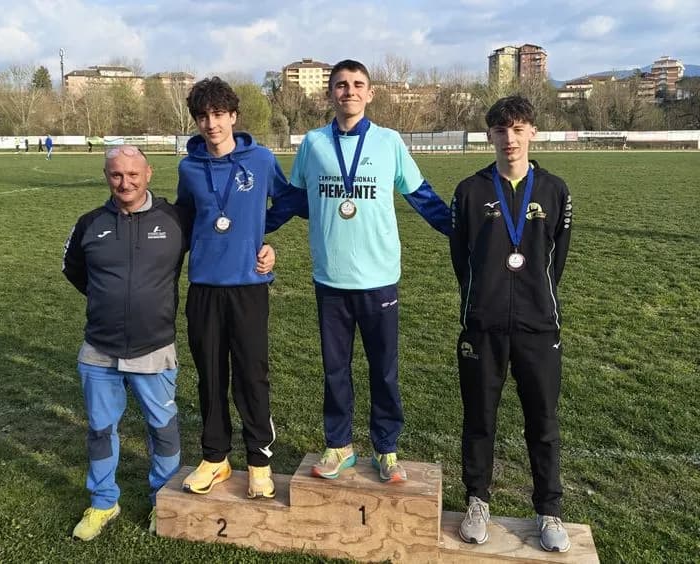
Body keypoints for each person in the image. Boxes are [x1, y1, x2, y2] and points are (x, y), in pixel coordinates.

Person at [266, 59, 451, 484]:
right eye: (341, 85)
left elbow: (421, 195)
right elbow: (295, 200)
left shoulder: (389, 142)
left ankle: (386, 449)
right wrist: (251, 229)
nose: (349, 91)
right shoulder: (313, 144)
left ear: (370, 94)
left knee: (384, 368)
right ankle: (339, 446)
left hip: (379, 277)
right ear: (330, 93)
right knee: (335, 369)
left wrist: (458, 231)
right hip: (330, 278)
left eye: (357, 85)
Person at [449, 95, 573, 552]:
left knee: (543, 422)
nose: (510, 139)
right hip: (482, 326)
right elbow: (461, 259)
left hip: (539, 327)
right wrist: (484, 299)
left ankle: (549, 510)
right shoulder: (470, 190)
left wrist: (536, 300)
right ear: (490, 136)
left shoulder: (555, 190)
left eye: (519, 129)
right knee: (479, 419)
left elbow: (556, 261)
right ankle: (477, 500)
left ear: (533, 133)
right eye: (501, 131)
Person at [62, 145, 190, 540]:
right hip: (99, 348)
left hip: (155, 346)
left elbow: (222, 246)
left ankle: (162, 499)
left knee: (162, 428)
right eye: (117, 175)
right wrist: (111, 302)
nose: (125, 182)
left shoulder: (176, 219)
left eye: (133, 174)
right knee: (101, 428)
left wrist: (264, 253)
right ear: (106, 176)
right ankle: (104, 501)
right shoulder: (89, 224)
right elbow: (74, 271)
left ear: (148, 173)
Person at [176, 77, 292, 500]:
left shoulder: (260, 160)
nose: (211, 124)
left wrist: (264, 238)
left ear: (233, 116)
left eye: (219, 115)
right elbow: (186, 221)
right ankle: (215, 458)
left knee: (251, 374)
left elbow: (290, 200)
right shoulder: (188, 168)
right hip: (204, 286)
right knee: (209, 375)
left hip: (248, 286)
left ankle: (259, 462)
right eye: (203, 116)